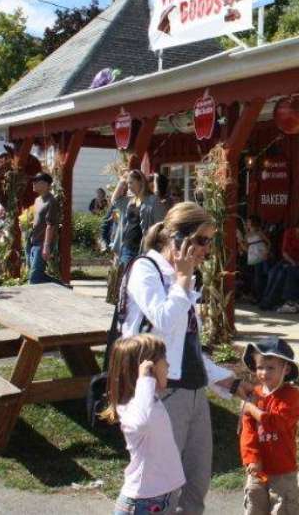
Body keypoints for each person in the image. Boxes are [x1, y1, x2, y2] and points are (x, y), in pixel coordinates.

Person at [119, 201, 250, 515]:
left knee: (196, 482)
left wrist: (226, 381)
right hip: (163, 394)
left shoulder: (185, 279)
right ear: (177, 237)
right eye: (203, 240)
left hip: (193, 392)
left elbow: (186, 347)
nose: (207, 249)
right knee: (163, 488)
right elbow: (163, 320)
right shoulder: (144, 270)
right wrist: (181, 279)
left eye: (210, 241)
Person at [100, 334, 183, 515]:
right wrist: (145, 379)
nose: (168, 365)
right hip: (142, 504)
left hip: (155, 499)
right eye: (164, 360)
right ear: (148, 369)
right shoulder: (131, 407)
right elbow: (142, 423)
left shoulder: (148, 400)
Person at [239, 338, 299, 515]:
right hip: (257, 470)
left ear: (286, 369)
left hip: (283, 470)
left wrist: (252, 409)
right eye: (260, 367)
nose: (264, 373)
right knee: (253, 507)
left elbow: (277, 423)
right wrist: (252, 457)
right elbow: (248, 431)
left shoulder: (290, 396)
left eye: (271, 368)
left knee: (283, 508)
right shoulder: (255, 394)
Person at [256, 215, 299, 312]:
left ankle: (271, 302)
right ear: (297, 226)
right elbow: (284, 252)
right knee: (272, 273)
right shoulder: (289, 233)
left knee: (280, 275)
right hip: (288, 259)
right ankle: (265, 300)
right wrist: (292, 262)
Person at [111, 170, 160, 271]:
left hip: (144, 248)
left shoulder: (152, 200)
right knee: (126, 277)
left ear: (141, 182)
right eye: (128, 183)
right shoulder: (131, 201)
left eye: (131, 183)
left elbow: (159, 225)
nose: (129, 186)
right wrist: (121, 183)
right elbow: (114, 201)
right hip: (128, 246)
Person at [27, 172, 60, 285]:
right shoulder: (37, 200)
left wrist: (46, 246)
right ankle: (63, 287)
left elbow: (50, 225)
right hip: (33, 241)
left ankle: (62, 287)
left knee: (34, 278)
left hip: (42, 243)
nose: (33, 183)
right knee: (38, 275)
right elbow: (36, 220)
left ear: (46, 184)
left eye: (36, 181)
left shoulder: (51, 201)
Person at [238, 216, 271, 301]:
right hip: (253, 256)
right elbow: (246, 249)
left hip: (261, 254)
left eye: (249, 222)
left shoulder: (259, 233)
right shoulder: (246, 235)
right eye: (247, 222)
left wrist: (267, 252)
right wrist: (240, 242)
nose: (247, 223)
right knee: (255, 276)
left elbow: (268, 243)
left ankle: (261, 296)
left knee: (259, 276)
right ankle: (257, 296)